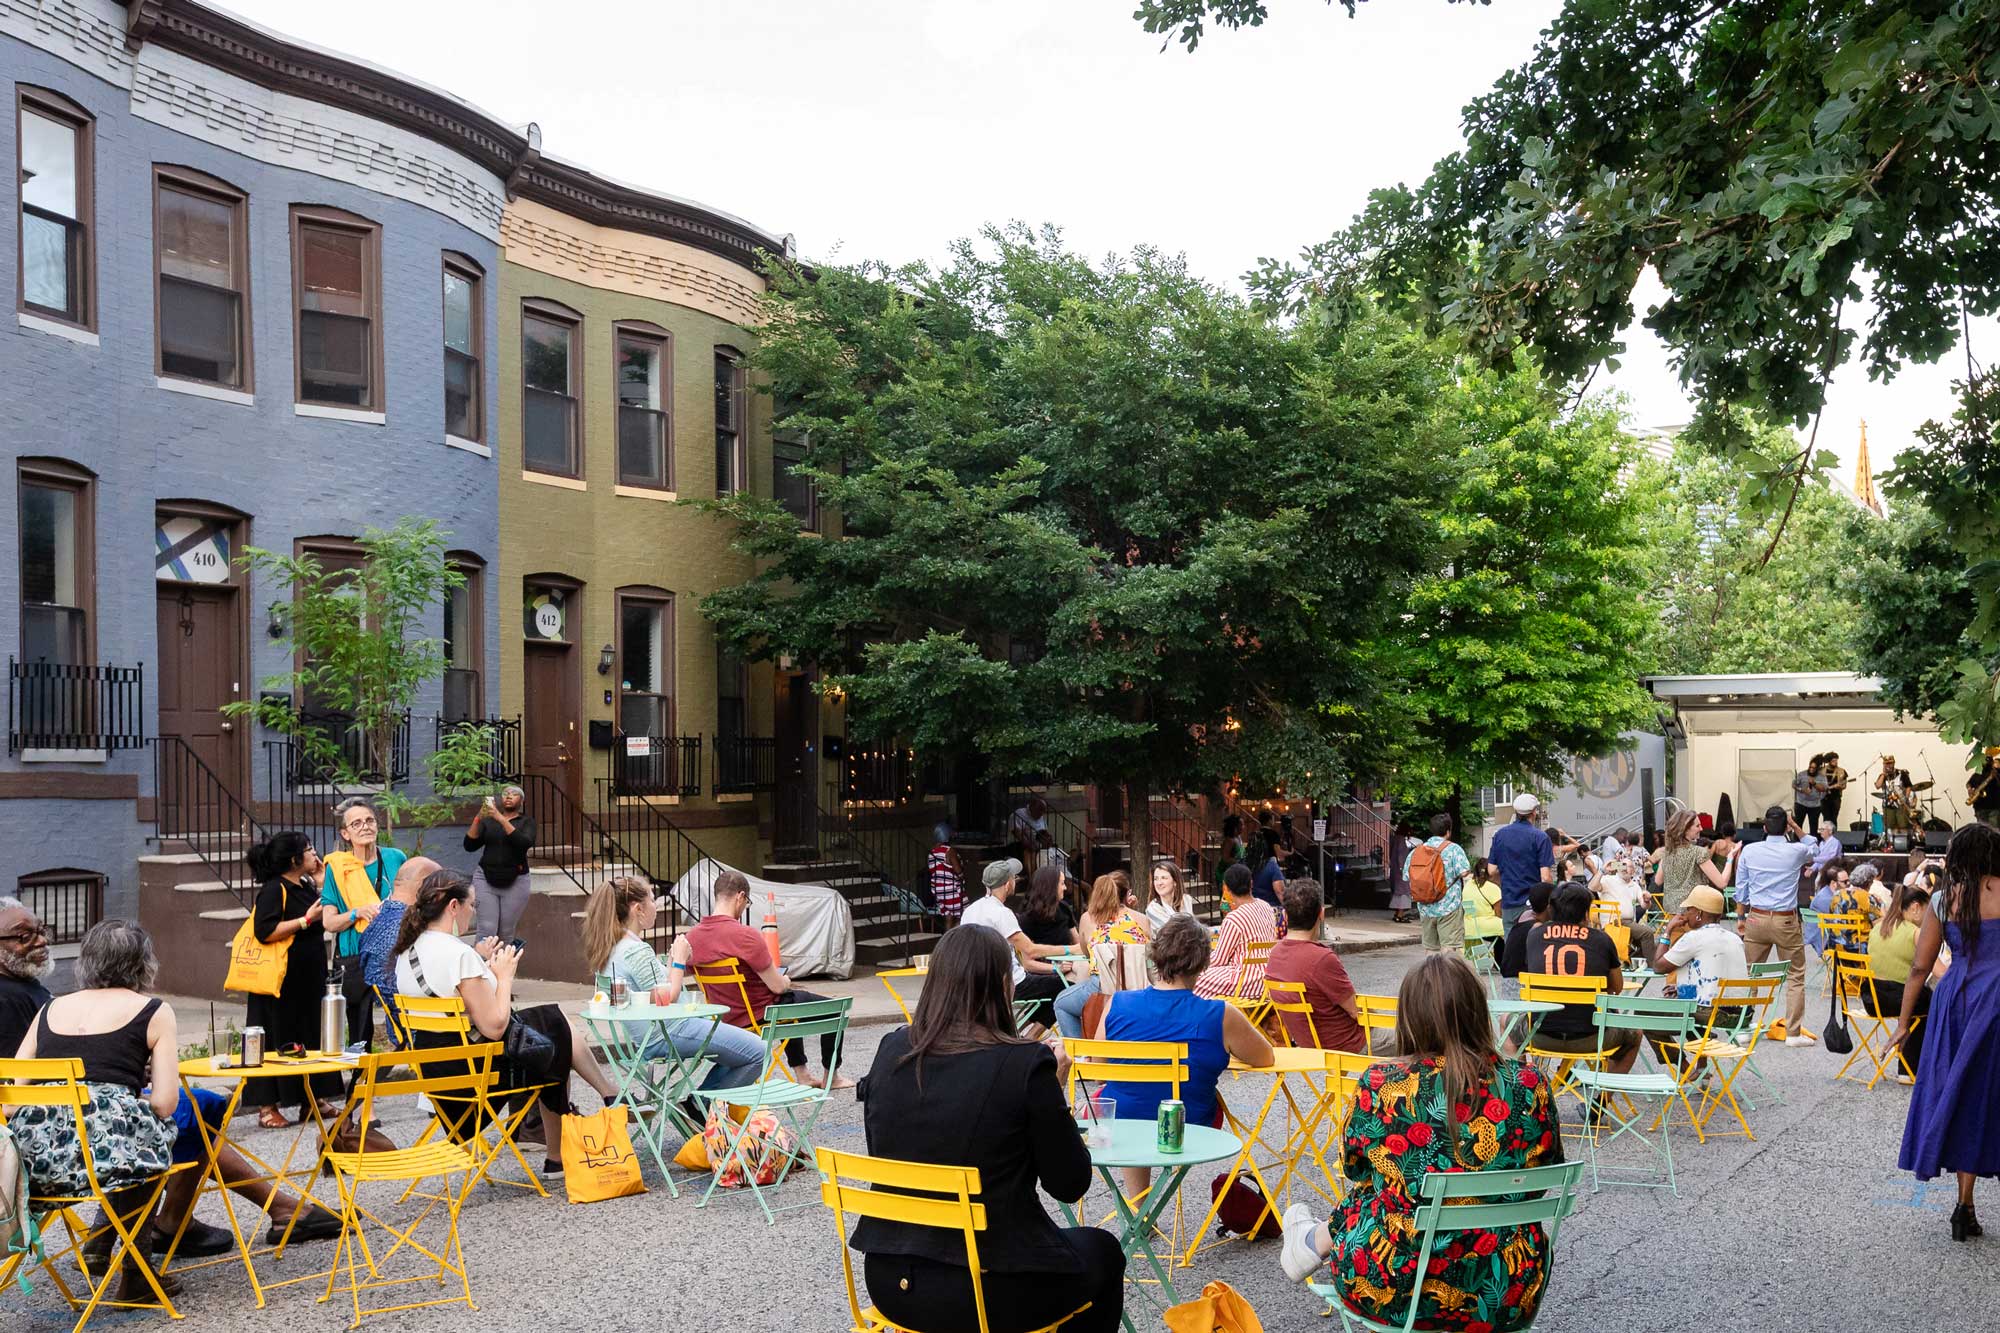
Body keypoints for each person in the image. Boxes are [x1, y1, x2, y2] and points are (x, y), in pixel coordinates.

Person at [0, 908, 338, 1261]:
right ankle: (141, 1256)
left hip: (37, 1165)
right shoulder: (152, 1010)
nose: (38, 939)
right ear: (144, 963)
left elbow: (9, 1104)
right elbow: (163, 1104)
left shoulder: (47, 1011)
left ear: (86, 962)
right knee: (168, 1126)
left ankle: (133, 1233)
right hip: (106, 1161)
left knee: (177, 1120)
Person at [852, 927, 1126, 1333]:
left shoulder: (892, 1049)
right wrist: (1055, 1090)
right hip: (986, 1288)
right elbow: (1070, 1184)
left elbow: (885, 1145)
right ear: (1004, 987)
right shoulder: (1024, 1065)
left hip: (889, 1280)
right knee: (1104, 1251)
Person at [1276, 953, 1563, 1333]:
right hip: (1507, 1293)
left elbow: (1354, 1167)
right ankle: (1312, 1239)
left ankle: (1313, 1239)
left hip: (1393, 1287)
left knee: (1379, 1188)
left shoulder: (1381, 1085)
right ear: (1478, 1010)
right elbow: (1544, 1176)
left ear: (1408, 1017)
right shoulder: (1531, 1085)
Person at [393, 869, 619, 1173]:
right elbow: (495, 1026)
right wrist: (504, 976)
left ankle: (596, 1109)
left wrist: (483, 967)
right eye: (472, 905)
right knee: (554, 1033)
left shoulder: (407, 952)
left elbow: (454, 1003)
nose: (473, 914)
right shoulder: (458, 954)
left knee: (549, 1023)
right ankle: (582, 1125)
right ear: (453, 907)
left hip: (438, 1075)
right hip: (476, 1080)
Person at [1096, 915, 1273, 1198]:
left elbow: (1097, 1067)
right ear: (1203, 964)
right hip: (1188, 1125)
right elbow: (1265, 1057)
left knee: (1129, 1093)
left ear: (1157, 955)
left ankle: (1138, 1207)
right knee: (1163, 1098)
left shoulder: (1117, 1002)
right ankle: (1141, 1207)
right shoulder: (1221, 1014)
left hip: (1122, 1123)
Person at [1889, 822, 2000, 1241]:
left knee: (1963, 1095)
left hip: (1957, 1000)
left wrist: (1902, 1024)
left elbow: (1920, 966)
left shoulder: (1941, 898)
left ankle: (1964, 1205)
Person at [581, 876, 764, 1092]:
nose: (656, 905)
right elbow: (668, 997)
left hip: (650, 1034)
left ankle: (701, 1106)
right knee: (758, 1051)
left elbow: (651, 994)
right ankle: (703, 1106)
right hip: (669, 1032)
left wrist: (669, 966)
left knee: (735, 1046)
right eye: (652, 899)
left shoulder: (615, 947)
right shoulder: (635, 951)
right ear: (638, 909)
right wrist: (679, 961)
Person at [688, 869, 853, 1088]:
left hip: (727, 1016)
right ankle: (832, 1076)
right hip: (761, 1014)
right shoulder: (745, 936)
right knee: (832, 1008)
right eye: (746, 903)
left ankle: (802, 1073)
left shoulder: (693, 937)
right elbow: (776, 987)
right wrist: (785, 979)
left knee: (789, 1001)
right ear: (740, 896)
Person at [241, 831, 344, 1128]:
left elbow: (325, 913)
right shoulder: (274, 889)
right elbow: (265, 931)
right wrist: (304, 921)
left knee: (310, 1035)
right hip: (279, 981)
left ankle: (314, 1100)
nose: (315, 854)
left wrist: (323, 883)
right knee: (276, 1038)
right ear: (293, 859)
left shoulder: (306, 883)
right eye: (309, 850)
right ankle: (266, 1107)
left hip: (307, 977)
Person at [1523, 882, 1639, 1082]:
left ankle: (1524, 1090)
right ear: (1586, 912)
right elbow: (1616, 987)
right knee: (1634, 1034)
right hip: (1592, 1037)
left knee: (1505, 1023)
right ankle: (1600, 1101)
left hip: (1539, 1035)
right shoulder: (1601, 940)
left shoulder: (1534, 936)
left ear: (1551, 909)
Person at [320, 796, 405, 1055]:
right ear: (345, 833)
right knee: (359, 1031)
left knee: (404, 1021)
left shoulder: (395, 858)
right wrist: (357, 913)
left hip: (393, 954)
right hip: (355, 955)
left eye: (369, 820)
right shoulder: (337, 867)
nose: (365, 827)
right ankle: (359, 1088)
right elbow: (329, 922)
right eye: (356, 824)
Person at [1735, 805, 1819, 1045]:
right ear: (1786, 828)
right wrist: (1797, 828)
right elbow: (1815, 848)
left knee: (1749, 974)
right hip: (1785, 919)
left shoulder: (1750, 851)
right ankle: (1792, 1032)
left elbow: (1742, 888)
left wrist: (1741, 918)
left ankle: (1743, 1027)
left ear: (1764, 827)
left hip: (1756, 917)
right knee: (1795, 975)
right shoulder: (1795, 850)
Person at [1264, 878, 1369, 1052]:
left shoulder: (1274, 954)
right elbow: (1355, 1011)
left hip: (1306, 1042)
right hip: (1347, 1043)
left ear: (1285, 915)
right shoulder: (1322, 958)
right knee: (1412, 1038)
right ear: (1321, 914)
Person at [1052, 873, 1151, 1040]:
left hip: (1103, 985)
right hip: (1139, 985)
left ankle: (1081, 1054)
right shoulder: (1141, 919)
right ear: (1127, 895)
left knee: (1061, 1003)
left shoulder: (1088, 918)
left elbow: (1087, 953)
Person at [361, 854, 435, 1046]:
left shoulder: (372, 927)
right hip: (430, 1033)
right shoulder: (413, 929)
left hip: (401, 1033)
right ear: (426, 887)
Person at [1647, 886, 1747, 1023]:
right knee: (1687, 1013)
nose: (1686, 914)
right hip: (1741, 1015)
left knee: (1645, 1012)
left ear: (1698, 913)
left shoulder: (1694, 938)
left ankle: (1686, 1044)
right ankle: (1701, 1043)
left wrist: (1668, 930)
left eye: (1689, 909)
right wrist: (1683, 988)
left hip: (1710, 1013)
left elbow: (1658, 967)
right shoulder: (1734, 939)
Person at [1867, 883, 1934, 1083]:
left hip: (1873, 998)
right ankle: (1914, 1066)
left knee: (1916, 1003)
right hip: (1902, 998)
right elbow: (1940, 971)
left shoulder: (1877, 928)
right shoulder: (1914, 932)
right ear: (1915, 907)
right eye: (1926, 910)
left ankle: (1905, 1066)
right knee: (1931, 1001)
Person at [1193, 863, 1280, 999]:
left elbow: (1219, 959)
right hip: (1269, 976)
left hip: (1246, 980)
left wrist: (1194, 963)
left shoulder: (1234, 918)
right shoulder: (1266, 907)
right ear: (1251, 883)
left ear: (1227, 888)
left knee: (1193, 977)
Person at [463, 784, 536, 941]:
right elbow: (469, 845)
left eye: (514, 794)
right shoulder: (489, 822)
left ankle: (502, 965)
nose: (508, 796)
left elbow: (523, 843)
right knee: (487, 929)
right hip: (485, 878)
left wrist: (500, 818)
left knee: (506, 931)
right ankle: (482, 965)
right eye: (505, 793)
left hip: (516, 880)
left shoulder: (526, 822)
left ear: (521, 800)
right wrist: (478, 818)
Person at [1404, 813, 1471, 955]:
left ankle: (1431, 976)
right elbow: (1464, 872)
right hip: (1449, 906)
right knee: (1449, 949)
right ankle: (1446, 977)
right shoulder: (1454, 849)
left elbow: (1406, 876)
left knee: (1430, 949)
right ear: (1448, 831)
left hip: (1425, 907)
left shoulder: (1417, 851)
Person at [1490, 793, 1556, 932]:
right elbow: (1545, 877)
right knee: (1532, 947)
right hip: (1532, 905)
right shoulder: (1540, 837)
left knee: (1511, 947)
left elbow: (1491, 870)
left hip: (1508, 901)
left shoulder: (1499, 835)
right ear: (1534, 812)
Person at [1650, 809, 1735, 915]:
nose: (1701, 828)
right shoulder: (1698, 852)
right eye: (1697, 826)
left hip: (1672, 913)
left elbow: (1658, 880)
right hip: (1693, 913)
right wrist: (1730, 858)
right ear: (1685, 829)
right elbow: (1722, 883)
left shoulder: (1668, 852)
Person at [1589, 853, 1658, 961]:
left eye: (1629, 866)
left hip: (1628, 923)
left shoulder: (1634, 885)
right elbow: (1592, 887)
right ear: (1618, 867)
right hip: (1613, 922)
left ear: (1633, 871)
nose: (1625, 868)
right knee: (1647, 933)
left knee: (1649, 943)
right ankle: (1652, 966)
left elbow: (1644, 905)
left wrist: (1647, 900)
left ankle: (1630, 961)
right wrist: (1602, 871)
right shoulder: (1608, 879)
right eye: (1623, 865)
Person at [1498, 881, 1555, 980]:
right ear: (1549, 907)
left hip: (1508, 982)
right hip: (1521, 985)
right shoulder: (1539, 930)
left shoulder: (1523, 921)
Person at [1016, 864, 1078, 951]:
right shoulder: (1027, 916)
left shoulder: (1063, 908)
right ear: (1050, 887)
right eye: (1062, 883)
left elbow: (1077, 942)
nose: (1065, 888)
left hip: (1069, 961)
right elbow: (1026, 952)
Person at [1145, 860, 1201, 933]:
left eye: (1164, 878)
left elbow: (1194, 927)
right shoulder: (1153, 908)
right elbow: (1175, 933)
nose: (1159, 883)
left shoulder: (1186, 899)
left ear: (1175, 882)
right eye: (1156, 879)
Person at [927, 822, 967, 924]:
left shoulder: (931, 853)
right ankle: (956, 938)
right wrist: (962, 875)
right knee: (963, 916)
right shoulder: (949, 851)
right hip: (951, 889)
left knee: (948, 917)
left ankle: (947, 938)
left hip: (938, 890)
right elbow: (958, 870)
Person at [1385, 823, 1414, 924]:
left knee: (1397, 891)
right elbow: (1401, 855)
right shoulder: (1401, 840)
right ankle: (1400, 915)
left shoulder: (1394, 839)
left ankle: (1397, 913)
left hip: (1394, 869)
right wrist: (1403, 869)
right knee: (1403, 892)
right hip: (1400, 870)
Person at [1007, 796, 1049, 866]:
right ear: (1032, 807)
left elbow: (1044, 832)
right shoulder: (1019, 814)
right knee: (1029, 851)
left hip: (1037, 844)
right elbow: (1017, 833)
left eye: (1043, 812)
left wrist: (1047, 840)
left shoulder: (1040, 816)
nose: (1041, 814)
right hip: (1019, 845)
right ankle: (1031, 874)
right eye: (1039, 811)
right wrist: (1031, 845)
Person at [1793, 756, 1826, 835]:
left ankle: (1812, 845)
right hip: (1801, 804)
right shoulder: (1802, 774)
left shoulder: (1821, 777)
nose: (1811, 769)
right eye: (1810, 767)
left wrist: (1814, 783)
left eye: (1814, 768)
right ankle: (1797, 842)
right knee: (1798, 825)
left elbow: (1823, 788)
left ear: (1817, 768)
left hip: (1815, 806)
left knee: (1813, 828)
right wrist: (1802, 790)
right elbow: (1794, 785)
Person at [1252, 839, 1287, 912]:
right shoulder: (1271, 865)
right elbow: (1280, 891)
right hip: (1271, 909)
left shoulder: (1241, 864)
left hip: (1250, 910)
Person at [1215, 813, 1248, 886]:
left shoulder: (1238, 838)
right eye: (1242, 825)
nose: (1244, 827)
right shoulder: (1229, 840)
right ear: (1236, 826)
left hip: (1236, 872)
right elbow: (1225, 858)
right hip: (1226, 874)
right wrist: (1239, 861)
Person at [1821, 752, 1850, 830]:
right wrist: (1830, 787)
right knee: (1826, 819)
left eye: (1836, 760)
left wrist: (1840, 786)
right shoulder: (1821, 771)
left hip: (1836, 798)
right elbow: (1818, 785)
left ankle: (1834, 838)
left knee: (1834, 819)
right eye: (1833, 760)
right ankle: (1825, 838)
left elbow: (1844, 785)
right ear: (1829, 761)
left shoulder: (1842, 771)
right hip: (1824, 798)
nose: (1836, 762)